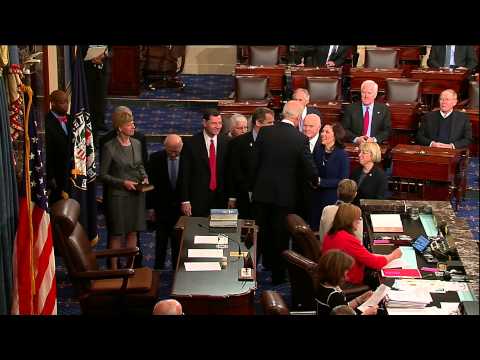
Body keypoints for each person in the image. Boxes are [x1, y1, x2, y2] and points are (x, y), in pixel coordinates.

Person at [252, 100, 318, 284]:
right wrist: (314, 180)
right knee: (280, 237)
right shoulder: (300, 139)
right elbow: (310, 170)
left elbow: (254, 162)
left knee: (259, 234)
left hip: (262, 194)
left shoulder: (265, 132)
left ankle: (250, 274)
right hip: (285, 197)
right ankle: (278, 276)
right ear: (298, 118)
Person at [99, 106, 148, 268]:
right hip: (118, 196)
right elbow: (103, 175)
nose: (133, 127)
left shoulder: (137, 143)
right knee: (116, 234)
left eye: (133, 124)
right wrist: (123, 183)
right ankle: (114, 268)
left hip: (136, 195)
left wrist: (144, 176)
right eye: (129, 124)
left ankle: (130, 267)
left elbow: (139, 165)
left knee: (133, 232)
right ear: (120, 127)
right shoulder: (109, 147)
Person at [322, 204, 402, 286]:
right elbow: (375, 263)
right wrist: (394, 255)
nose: (359, 222)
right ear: (350, 221)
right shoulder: (347, 239)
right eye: (358, 219)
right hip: (348, 281)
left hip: (334, 277)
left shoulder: (331, 234)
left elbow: (362, 255)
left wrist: (380, 256)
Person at [227, 107, 275, 220]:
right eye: (270, 122)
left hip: (268, 199)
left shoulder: (275, 142)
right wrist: (232, 197)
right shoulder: (238, 143)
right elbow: (233, 171)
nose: (273, 125)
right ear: (258, 122)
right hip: (244, 198)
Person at [180, 109, 230, 217]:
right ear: (204, 123)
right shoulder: (190, 143)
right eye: (214, 123)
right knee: (198, 232)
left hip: (222, 198)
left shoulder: (228, 142)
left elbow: (231, 172)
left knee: (222, 233)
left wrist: (232, 197)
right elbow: (184, 174)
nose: (218, 126)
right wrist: (185, 200)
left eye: (220, 123)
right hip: (198, 199)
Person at [147, 134, 183, 270]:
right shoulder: (155, 158)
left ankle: (176, 271)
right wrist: (150, 208)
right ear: (165, 147)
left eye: (176, 150)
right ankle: (158, 271)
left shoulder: (187, 157)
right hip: (161, 208)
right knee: (161, 243)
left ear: (181, 147)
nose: (173, 154)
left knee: (178, 243)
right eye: (170, 151)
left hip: (180, 209)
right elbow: (151, 185)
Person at [310, 122, 349, 231]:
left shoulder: (342, 155)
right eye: (322, 131)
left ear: (335, 136)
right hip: (315, 196)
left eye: (327, 132)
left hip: (331, 198)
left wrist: (321, 182)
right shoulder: (318, 150)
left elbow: (343, 180)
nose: (322, 134)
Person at [315, 249, 378, 316]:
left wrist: (360, 299)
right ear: (336, 274)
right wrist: (367, 313)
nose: (346, 277)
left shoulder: (323, 285)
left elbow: (344, 308)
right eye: (344, 274)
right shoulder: (334, 296)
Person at [45, 90, 73, 205]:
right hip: (57, 173)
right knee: (58, 204)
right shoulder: (46, 122)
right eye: (62, 103)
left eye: (67, 102)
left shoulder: (71, 119)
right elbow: (48, 152)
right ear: (53, 103)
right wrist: (50, 176)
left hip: (72, 169)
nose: (66, 105)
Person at [342, 80, 391, 144]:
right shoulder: (350, 108)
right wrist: (356, 139)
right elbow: (344, 129)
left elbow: (387, 131)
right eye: (363, 92)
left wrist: (374, 139)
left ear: (375, 95)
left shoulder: (383, 109)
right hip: (356, 145)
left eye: (369, 93)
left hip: (374, 145)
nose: (366, 96)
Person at [318, 179, 363, 244]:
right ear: (355, 194)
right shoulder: (356, 213)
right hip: (348, 253)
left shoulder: (326, 210)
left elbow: (322, 238)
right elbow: (359, 242)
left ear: (337, 192)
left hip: (328, 251)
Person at [80, 45, 110, 136]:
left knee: (101, 100)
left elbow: (109, 49)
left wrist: (104, 55)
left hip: (101, 72)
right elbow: (80, 55)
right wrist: (91, 60)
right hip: (89, 73)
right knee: (92, 105)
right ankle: (94, 134)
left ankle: (100, 122)